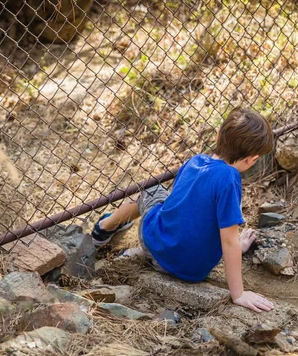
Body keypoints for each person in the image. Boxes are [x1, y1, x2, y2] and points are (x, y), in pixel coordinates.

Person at [91, 108, 275, 313]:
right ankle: (135, 249)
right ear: (252, 159)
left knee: (150, 191)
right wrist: (238, 293)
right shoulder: (230, 179)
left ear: (218, 137)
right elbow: (228, 238)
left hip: (158, 247)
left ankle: (103, 229)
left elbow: (178, 210)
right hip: (191, 270)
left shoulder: (194, 161)